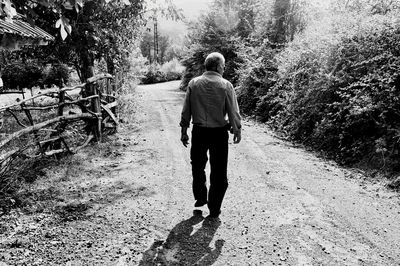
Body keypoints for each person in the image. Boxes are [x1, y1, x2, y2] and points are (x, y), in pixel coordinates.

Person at [180, 52, 242, 218]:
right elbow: (233, 111)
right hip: (219, 133)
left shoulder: (194, 83)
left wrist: (184, 130)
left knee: (197, 166)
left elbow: (186, 109)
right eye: (223, 65)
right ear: (216, 66)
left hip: (199, 131)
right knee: (219, 171)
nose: (224, 68)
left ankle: (201, 197)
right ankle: (214, 208)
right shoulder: (226, 85)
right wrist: (237, 129)